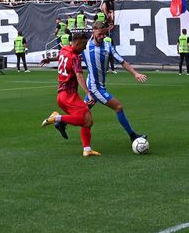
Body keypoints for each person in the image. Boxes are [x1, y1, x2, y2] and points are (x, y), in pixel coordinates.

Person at [83, 21, 148, 143]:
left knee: (82, 111)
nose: (102, 36)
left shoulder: (107, 46)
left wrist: (136, 73)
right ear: (93, 32)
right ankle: (132, 135)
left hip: (99, 85)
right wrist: (52, 58)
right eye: (100, 34)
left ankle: (60, 121)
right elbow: (70, 52)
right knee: (118, 107)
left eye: (104, 34)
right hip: (95, 87)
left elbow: (122, 61)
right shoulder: (85, 46)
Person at [40, 29, 99, 157]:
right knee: (85, 120)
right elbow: (79, 76)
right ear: (77, 43)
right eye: (83, 46)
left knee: (88, 120)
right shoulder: (74, 57)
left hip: (61, 96)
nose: (83, 49)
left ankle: (87, 149)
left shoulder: (64, 50)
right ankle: (56, 118)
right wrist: (88, 93)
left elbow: (60, 56)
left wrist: (49, 59)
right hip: (69, 96)